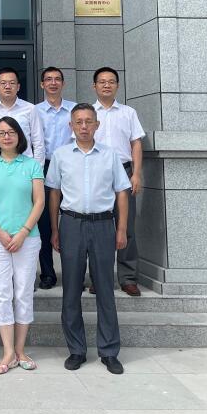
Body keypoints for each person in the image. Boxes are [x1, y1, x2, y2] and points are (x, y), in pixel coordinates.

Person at [46, 102, 131, 375]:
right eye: (78, 122)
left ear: (97, 124)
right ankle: (76, 350)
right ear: (71, 126)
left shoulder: (110, 155)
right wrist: (55, 229)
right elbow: (54, 193)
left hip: (103, 224)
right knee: (71, 289)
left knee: (105, 288)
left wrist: (121, 228)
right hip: (71, 224)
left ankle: (109, 351)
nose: (83, 127)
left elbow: (122, 192)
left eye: (88, 121)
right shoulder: (60, 155)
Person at [0, 116, 45, 375]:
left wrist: (23, 232)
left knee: (24, 292)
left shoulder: (32, 165)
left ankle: (20, 350)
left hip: (28, 238)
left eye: (11, 132)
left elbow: (39, 202)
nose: (6, 137)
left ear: (19, 136)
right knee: (2, 293)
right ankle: (7, 352)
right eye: (1, 133)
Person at [92, 67, 145, 297]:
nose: (106, 85)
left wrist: (136, 174)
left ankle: (128, 278)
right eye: (102, 81)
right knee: (99, 229)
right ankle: (99, 278)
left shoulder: (128, 112)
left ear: (117, 86)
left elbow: (136, 144)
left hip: (124, 172)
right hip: (96, 173)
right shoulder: (87, 113)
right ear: (94, 86)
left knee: (127, 227)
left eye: (111, 81)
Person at [33, 66, 75, 290]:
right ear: (42, 84)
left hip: (71, 166)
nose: (53, 83)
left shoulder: (74, 109)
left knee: (72, 219)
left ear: (63, 83)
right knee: (44, 224)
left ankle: (73, 274)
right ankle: (48, 274)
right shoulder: (34, 111)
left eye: (57, 79)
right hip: (44, 166)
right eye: (48, 79)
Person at [0, 67, 46, 167]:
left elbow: (38, 142)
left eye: (12, 83)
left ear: (18, 87)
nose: (7, 86)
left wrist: (38, 168)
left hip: (25, 165)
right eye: (3, 83)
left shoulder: (30, 109)